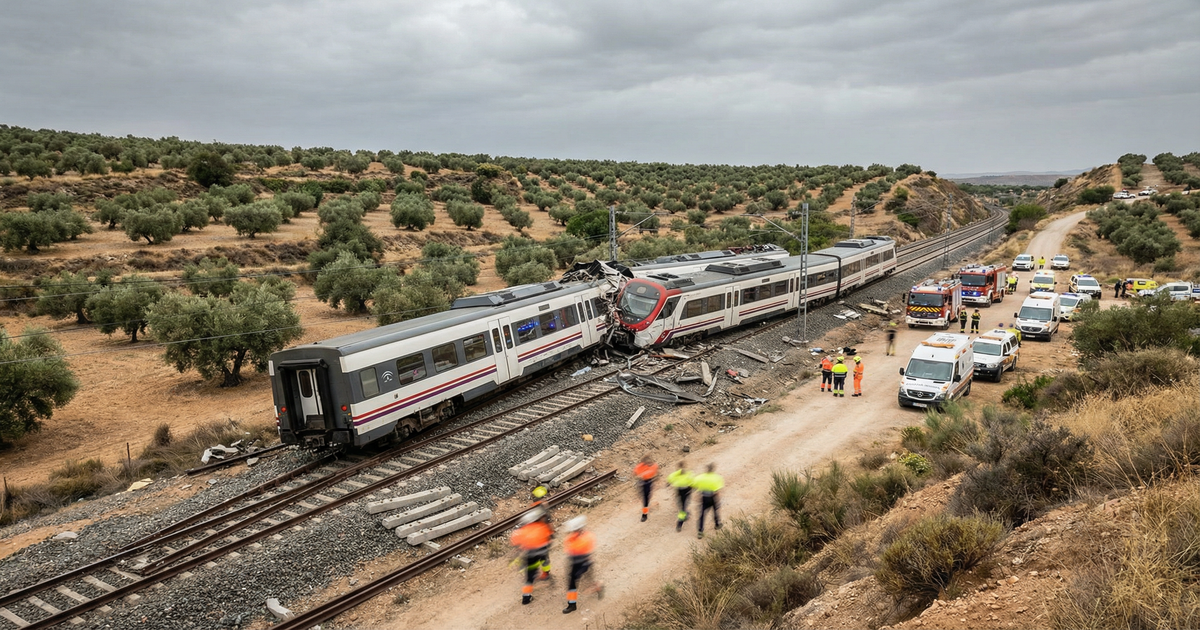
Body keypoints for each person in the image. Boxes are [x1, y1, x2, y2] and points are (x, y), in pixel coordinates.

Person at [510, 507, 553, 605]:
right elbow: (548, 539)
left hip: (530, 556)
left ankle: (526, 597)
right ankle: (546, 574)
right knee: (545, 561)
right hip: (542, 552)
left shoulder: (523, 530)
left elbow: (515, 541)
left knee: (529, 577)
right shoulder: (541, 528)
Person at [561, 515, 603, 614]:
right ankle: (572, 604)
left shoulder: (587, 538)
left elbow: (582, 552)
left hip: (585, 563)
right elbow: (569, 549)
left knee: (587, 582)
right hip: (575, 562)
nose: (572, 532)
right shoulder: (572, 537)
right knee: (572, 582)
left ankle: (599, 587)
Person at [693, 463, 724, 539]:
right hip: (713, 497)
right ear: (713, 469)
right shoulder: (717, 478)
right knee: (715, 511)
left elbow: (694, 485)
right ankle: (717, 524)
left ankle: (700, 531)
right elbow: (717, 491)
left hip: (704, 497)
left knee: (702, 514)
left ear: (706, 469)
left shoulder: (700, 477)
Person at [667, 461, 694, 532]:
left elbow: (670, 478)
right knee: (683, 506)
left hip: (679, 491)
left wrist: (669, 483)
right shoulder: (688, 473)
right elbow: (692, 481)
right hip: (687, 491)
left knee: (681, 506)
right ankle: (682, 519)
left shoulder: (676, 474)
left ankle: (681, 521)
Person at [634, 455, 658, 522]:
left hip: (647, 482)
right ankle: (644, 513)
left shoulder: (652, 466)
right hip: (644, 482)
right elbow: (635, 473)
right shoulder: (641, 466)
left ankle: (645, 513)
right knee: (645, 499)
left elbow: (635, 473)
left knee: (646, 499)